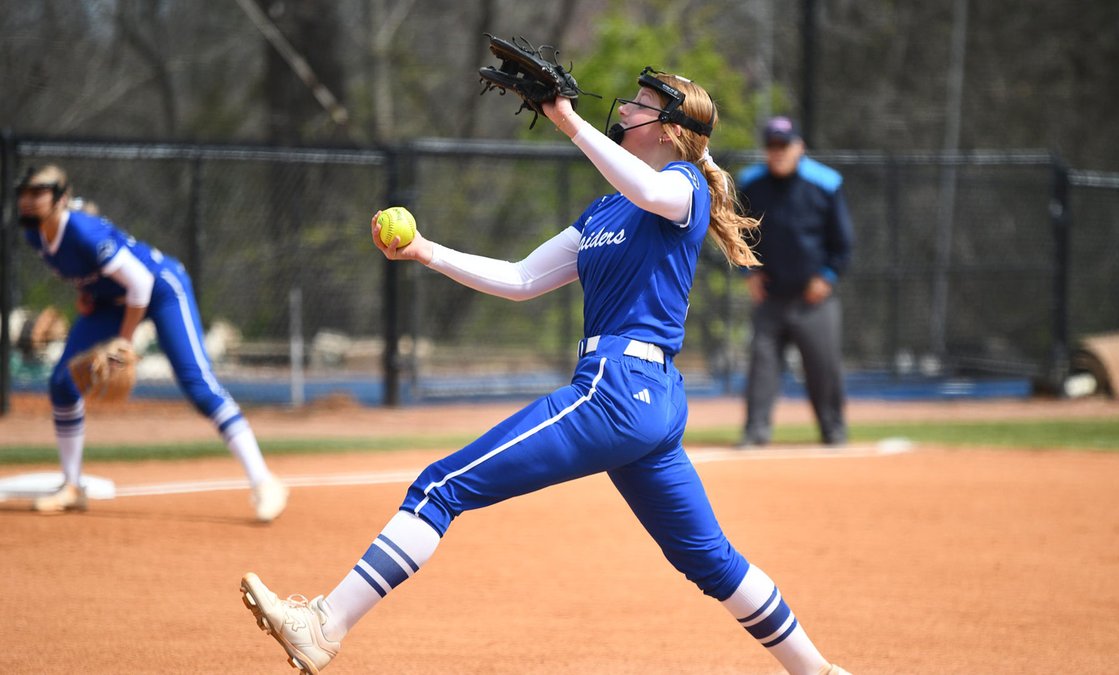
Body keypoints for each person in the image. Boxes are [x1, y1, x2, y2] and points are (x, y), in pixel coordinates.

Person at [239, 68, 851, 675]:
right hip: (641, 400)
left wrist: (566, 119)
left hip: (619, 390)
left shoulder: (682, 186)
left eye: (642, 105)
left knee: (439, 487)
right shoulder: (606, 209)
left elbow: (650, 193)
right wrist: (425, 250)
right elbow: (521, 278)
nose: (628, 110)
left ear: (670, 131)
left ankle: (325, 625)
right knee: (710, 561)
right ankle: (815, 670)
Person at [15, 165, 289, 522]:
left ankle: (265, 482)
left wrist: (123, 345)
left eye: (40, 192)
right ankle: (72, 487)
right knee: (62, 383)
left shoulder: (82, 231)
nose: (29, 200)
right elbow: (91, 272)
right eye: (25, 192)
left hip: (160, 288)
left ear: (62, 198)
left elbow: (140, 282)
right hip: (110, 302)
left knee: (199, 385)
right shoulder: (36, 237)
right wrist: (86, 294)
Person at [737, 117, 853, 448]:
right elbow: (739, 235)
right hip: (770, 295)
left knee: (823, 366)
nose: (778, 153)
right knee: (761, 366)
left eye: (784, 146)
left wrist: (827, 277)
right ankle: (755, 431)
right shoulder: (752, 184)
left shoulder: (825, 183)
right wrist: (749, 273)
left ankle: (833, 430)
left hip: (813, 297)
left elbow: (843, 241)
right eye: (772, 146)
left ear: (799, 147)